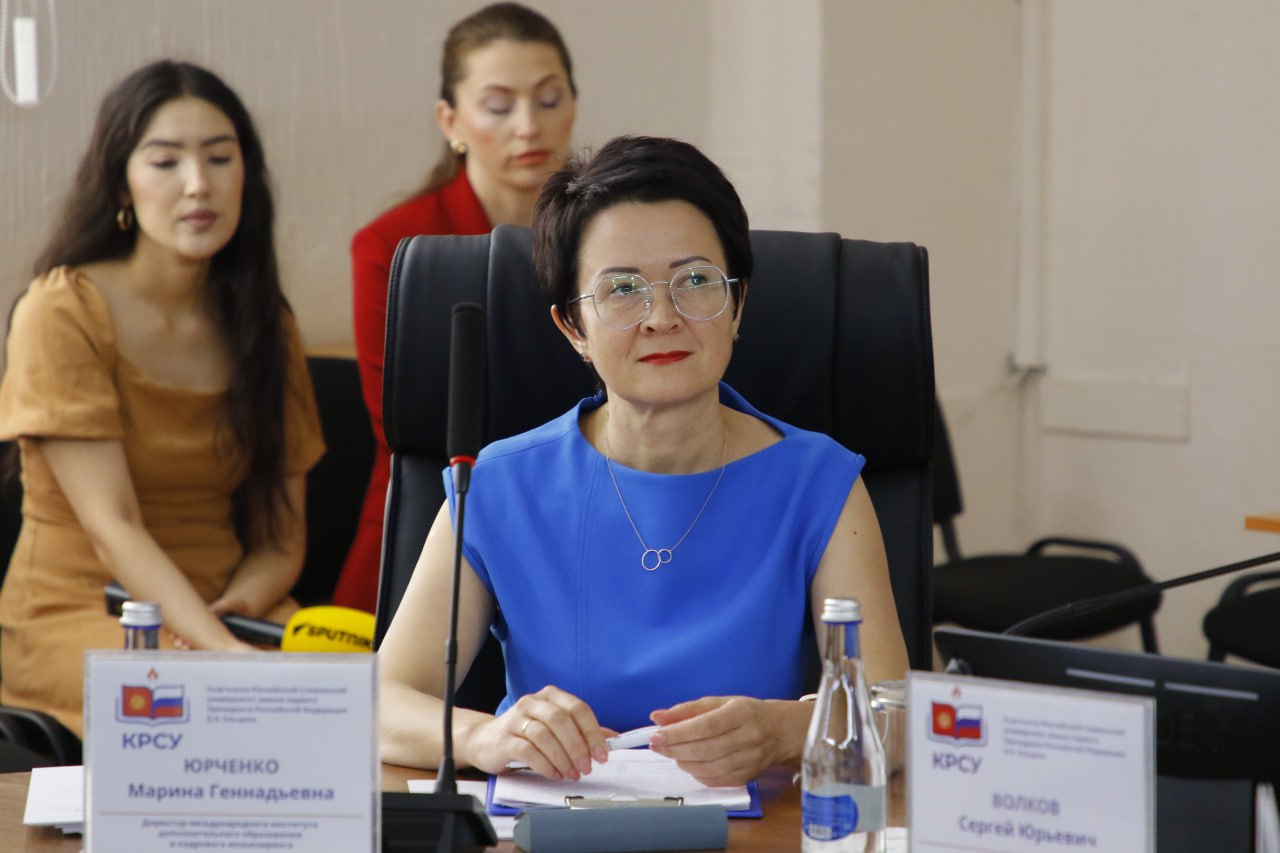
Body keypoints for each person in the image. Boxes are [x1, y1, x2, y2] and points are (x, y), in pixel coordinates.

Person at [378, 136, 909, 788]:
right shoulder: (497, 486)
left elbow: (895, 718)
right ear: (573, 327)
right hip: (548, 826)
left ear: (737, 305)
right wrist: (483, 735)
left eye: (696, 281)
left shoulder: (817, 483)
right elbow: (382, 702)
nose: (662, 317)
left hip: (749, 828)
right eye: (623, 289)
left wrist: (784, 729)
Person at [0, 60, 326, 737]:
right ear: (122, 182)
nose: (198, 183)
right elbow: (112, 525)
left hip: (226, 610)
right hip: (83, 613)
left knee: (356, 697)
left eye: (219, 158)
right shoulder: (61, 309)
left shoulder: (266, 323)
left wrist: (232, 615)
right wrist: (214, 648)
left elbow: (282, 537)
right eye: (166, 161)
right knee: (208, 706)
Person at [335, 2, 578, 611]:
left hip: (579, 519)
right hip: (427, 529)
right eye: (498, 106)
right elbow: (401, 421)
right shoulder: (396, 246)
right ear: (451, 120)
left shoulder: (602, 235)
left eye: (549, 99)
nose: (529, 126)